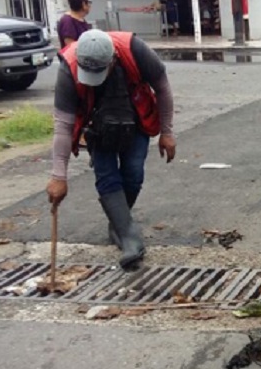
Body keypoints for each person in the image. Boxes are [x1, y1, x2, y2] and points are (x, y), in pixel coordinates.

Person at [45, 29, 176, 269]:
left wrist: (167, 132)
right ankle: (129, 238)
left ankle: (118, 224)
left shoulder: (135, 50)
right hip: (97, 125)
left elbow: (163, 88)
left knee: (133, 174)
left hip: (135, 117)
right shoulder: (69, 67)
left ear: (113, 58)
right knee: (106, 176)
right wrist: (58, 176)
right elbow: (63, 126)